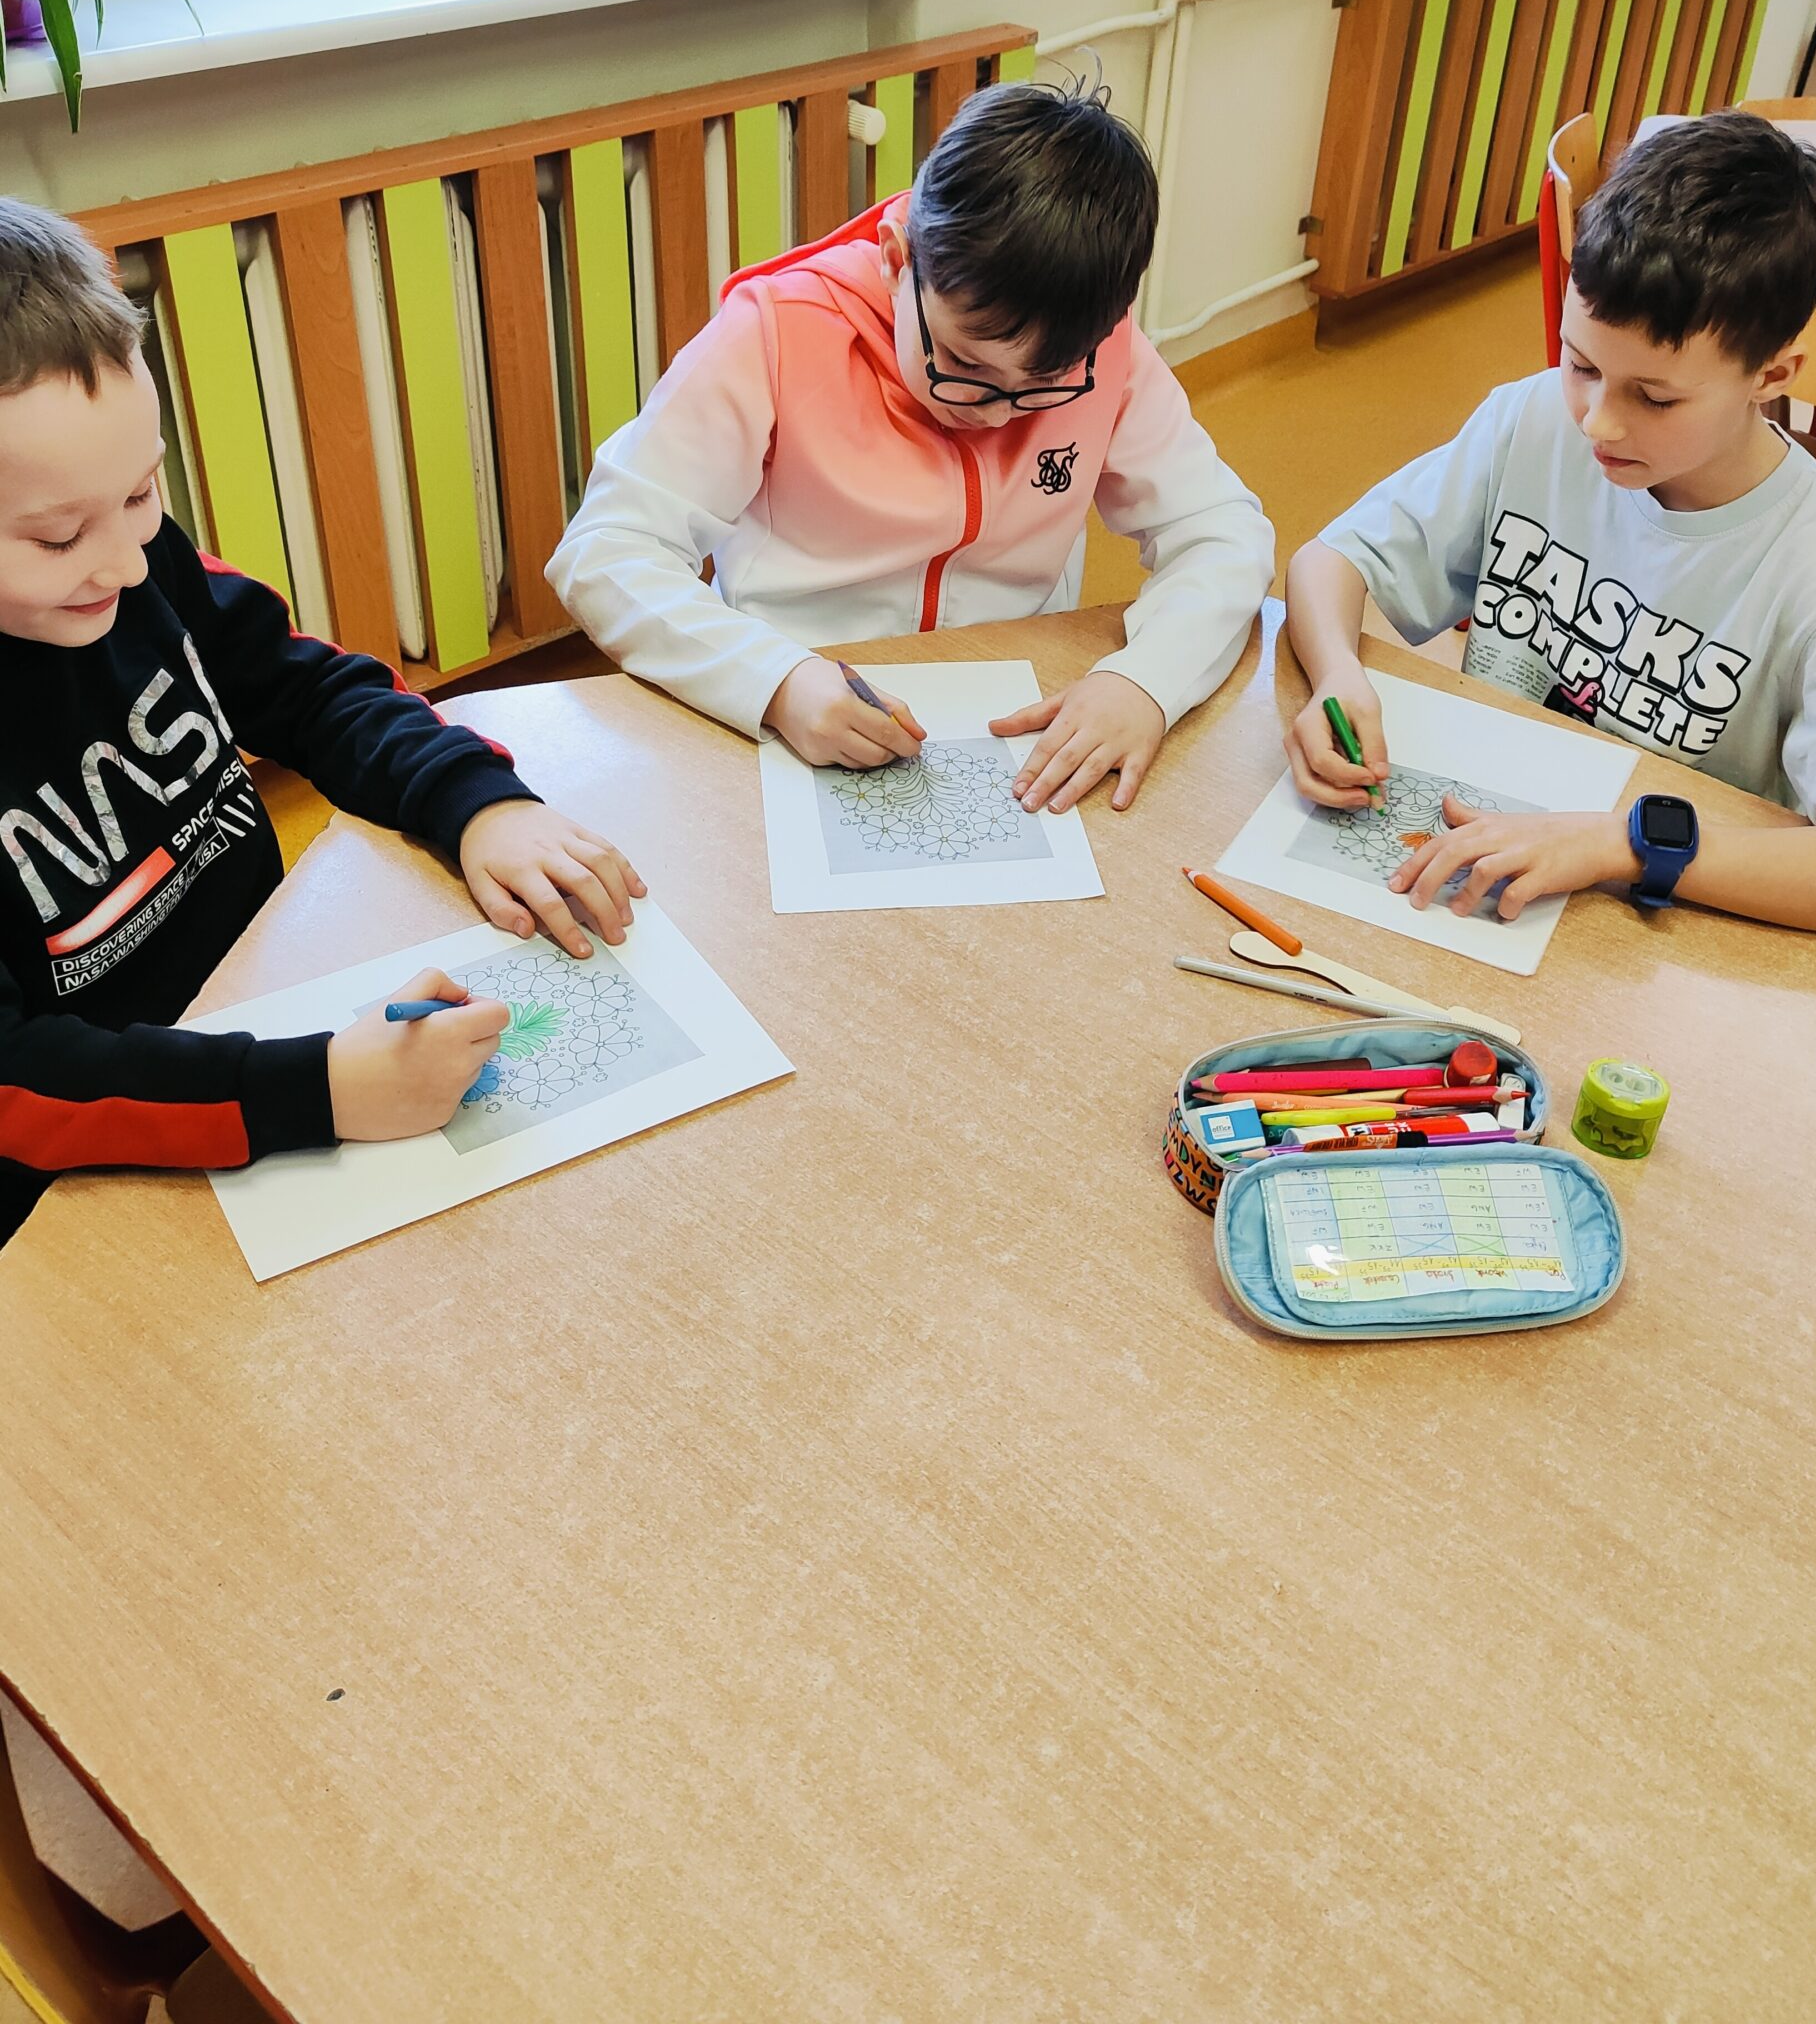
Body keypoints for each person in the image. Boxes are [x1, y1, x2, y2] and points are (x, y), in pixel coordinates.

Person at [0, 200, 643, 1245]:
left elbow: (310, 689)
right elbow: (17, 1082)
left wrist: (475, 802)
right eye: (58, 537)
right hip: (94, 1189)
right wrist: (318, 1090)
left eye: (143, 490)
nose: (124, 560)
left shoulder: (134, 558)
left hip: (271, 998)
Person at [549, 80, 1274, 817]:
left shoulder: (1103, 352)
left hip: (1011, 704)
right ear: (898, 261)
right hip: (797, 699)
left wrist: (1145, 681)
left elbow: (1222, 532)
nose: (998, 412)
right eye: (965, 365)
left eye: (1044, 382)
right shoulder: (775, 332)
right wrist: (775, 681)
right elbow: (606, 551)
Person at [1281, 111, 1816, 937]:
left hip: (1662, 931)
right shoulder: (1531, 422)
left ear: (1772, 375)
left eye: (1654, 397)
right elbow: (1330, 560)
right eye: (1580, 363)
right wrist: (1337, 673)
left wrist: (1630, 847)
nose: (1598, 422)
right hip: (1484, 877)